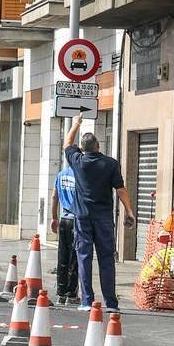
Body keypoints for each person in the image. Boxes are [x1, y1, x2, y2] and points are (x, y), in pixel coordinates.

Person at [64, 115, 136, 312]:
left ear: (83, 148)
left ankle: (87, 301)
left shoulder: (77, 161)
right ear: (97, 146)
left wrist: (77, 122)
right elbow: (121, 189)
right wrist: (129, 211)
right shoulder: (111, 164)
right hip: (104, 218)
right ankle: (111, 303)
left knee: (84, 257)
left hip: (83, 217)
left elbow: (67, 143)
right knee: (106, 259)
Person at [49, 166, 79, 306]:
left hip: (63, 219)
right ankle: (71, 294)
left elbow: (54, 196)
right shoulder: (80, 174)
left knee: (63, 257)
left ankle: (61, 293)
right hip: (76, 220)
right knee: (75, 258)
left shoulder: (61, 174)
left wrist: (54, 217)